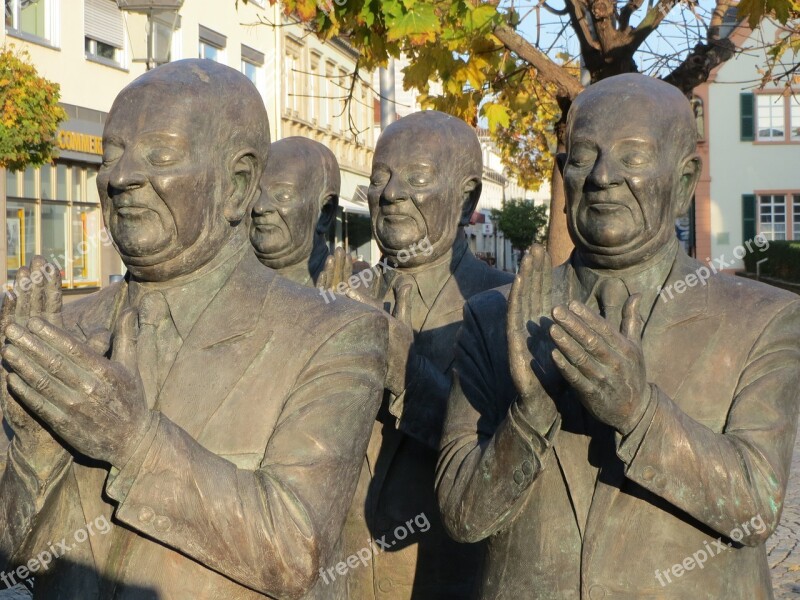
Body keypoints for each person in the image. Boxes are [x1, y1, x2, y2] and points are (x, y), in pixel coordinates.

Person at [0, 59, 387, 599]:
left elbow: (298, 551)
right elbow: (13, 563)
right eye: (110, 155)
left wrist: (133, 442)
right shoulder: (67, 327)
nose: (119, 178)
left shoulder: (333, 332)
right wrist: (33, 452)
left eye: (160, 155)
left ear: (237, 184)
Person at [437, 73, 800, 599]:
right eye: (583, 156)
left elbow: (756, 505)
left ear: (682, 184)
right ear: (563, 180)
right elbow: (462, 515)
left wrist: (640, 415)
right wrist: (531, 414)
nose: (603, 176)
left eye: (632, 157)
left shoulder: (763, 319)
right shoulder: (494, 316)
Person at [340, 111, 514, 599]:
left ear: (468, 198)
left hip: (446, 579)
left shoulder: (505, 306)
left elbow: (502, 464)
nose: (391, 194)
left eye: (416, 178)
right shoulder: (336, 299)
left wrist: (405, 370)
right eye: (380, 179)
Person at [250, 137, 340, 286]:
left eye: (282, 196)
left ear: (325, 213)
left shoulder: (350, 295)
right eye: (254, 193)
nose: (259, 207)